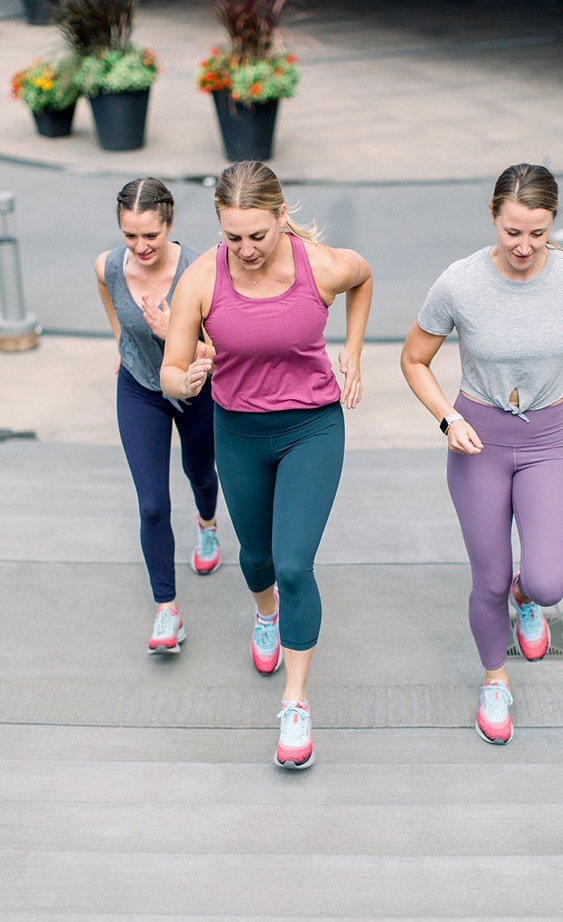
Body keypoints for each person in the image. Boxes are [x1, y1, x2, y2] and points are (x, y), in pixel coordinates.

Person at [401, 163, 563, 746]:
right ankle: (494, 679)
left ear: (552, 222)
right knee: (488, 579)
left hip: (545, 441)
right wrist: (447, 417)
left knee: (548, 581)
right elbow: (414, 359)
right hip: (477, 438)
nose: (525, 247)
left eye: (538, 232)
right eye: (513, 232)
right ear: (493, 218)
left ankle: (526, 598)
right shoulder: (458, 283)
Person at [160, 160, 373, 769]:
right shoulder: (202, 279)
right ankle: (265, 614)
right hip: (239, 430)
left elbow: (364, 278)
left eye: (259, 234)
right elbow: (169, 370)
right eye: (233, 237)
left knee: (294, 562)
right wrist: (188, 376)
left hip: (312, 427)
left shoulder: (321, 265)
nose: (247, 249)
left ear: (282, 218)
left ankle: (296, 702)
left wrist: (353, 351)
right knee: (255, 559)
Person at [95, 177, 221, 657]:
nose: (141, 246)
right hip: (139, 389)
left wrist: (175, 334)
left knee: (200, 472)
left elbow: (224, 351)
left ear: (170, 223)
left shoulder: (200, 269)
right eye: (131, 236)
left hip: (195, 387)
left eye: (151, 235)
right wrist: (121, 342)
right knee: (151, 503)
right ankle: (166, 609)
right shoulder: (107, 266)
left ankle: (207, 524)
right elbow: (112, 301)